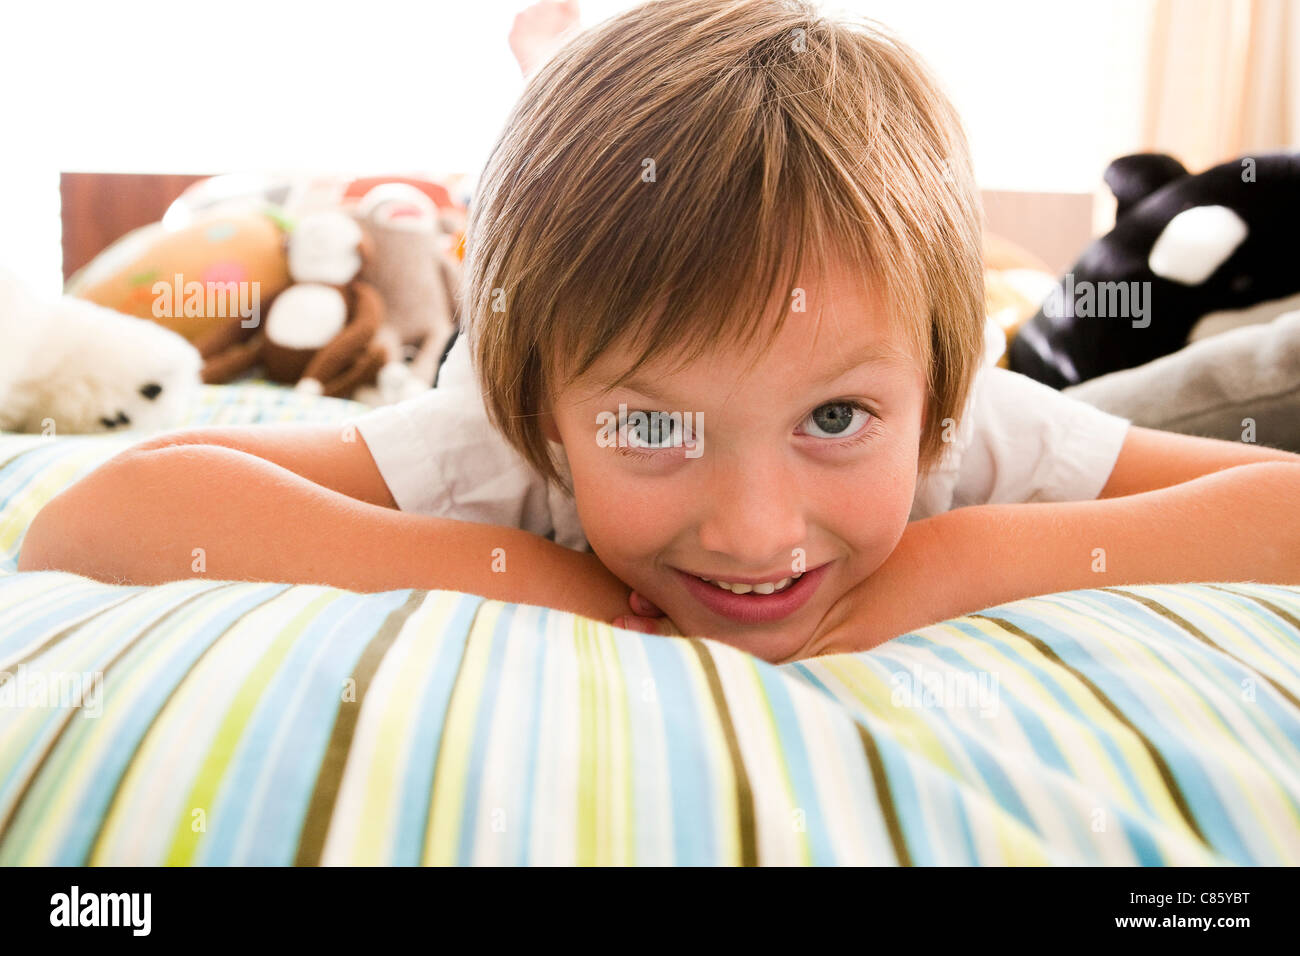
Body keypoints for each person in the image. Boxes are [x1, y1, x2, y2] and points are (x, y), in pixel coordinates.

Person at [20, 0, 1300, 664]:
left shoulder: (964, 425)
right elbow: (102, 518)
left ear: (937, 388)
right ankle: (545, 69)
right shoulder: (493, 444)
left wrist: (961, 558)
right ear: (542, 412)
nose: (752, 529)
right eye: (648, 426)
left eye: (834, 418)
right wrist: (539, 576)